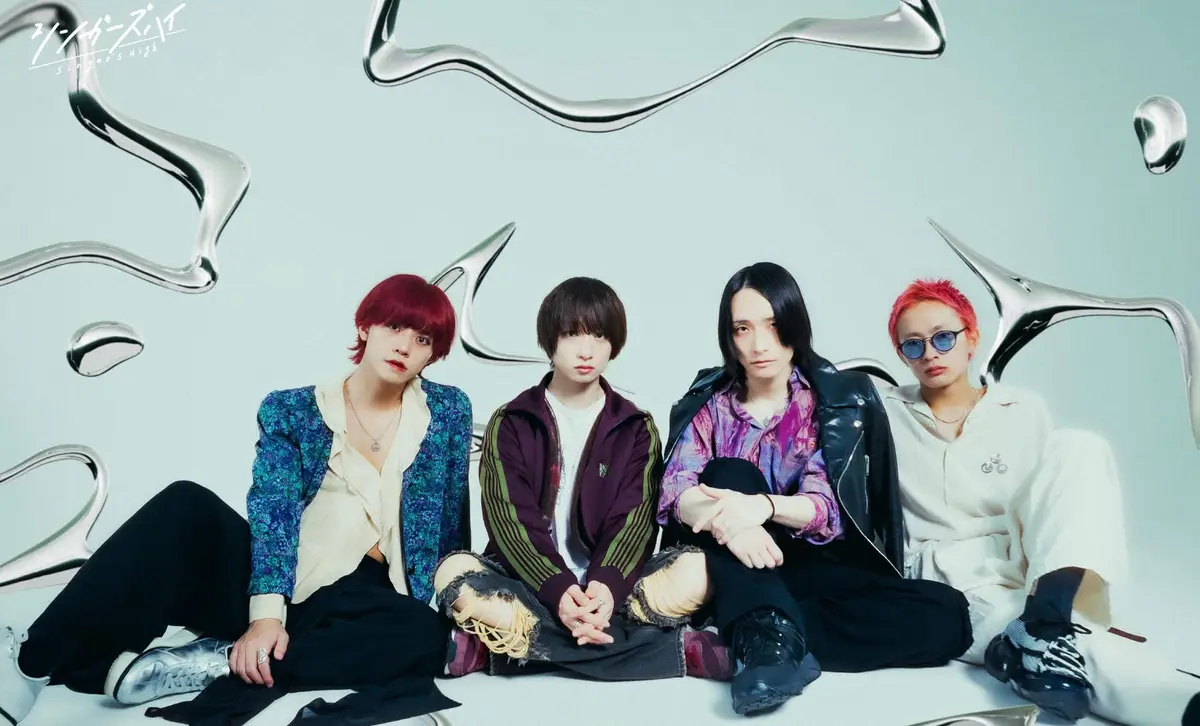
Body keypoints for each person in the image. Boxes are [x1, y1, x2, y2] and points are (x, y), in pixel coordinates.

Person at [0, 274, 473, 726]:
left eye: (423, 339)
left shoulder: (448, 411)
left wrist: (462, 595)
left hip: (372, 602)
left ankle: (215, 661)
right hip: (285, 579)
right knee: (185, 502)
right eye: (394, 327)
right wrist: (265, 617)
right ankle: (27, 663)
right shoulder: (292, 409)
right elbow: (274, 510)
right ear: (365, 326)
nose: (405, 346)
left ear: (432, 354)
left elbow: (453, 518)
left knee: (427, 636)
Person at [657, 262, 972, 716]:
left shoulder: (832, 400)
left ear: (794, 323)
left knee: (948, 616)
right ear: (729, 337)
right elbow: (677, 490)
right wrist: (733, 525)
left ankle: (754, 637)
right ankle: (767, 644)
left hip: (808, 563)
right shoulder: (712, 404)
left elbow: (825, 507)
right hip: (732, 562)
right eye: (743, 329)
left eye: (772, 325)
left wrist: (762, 508)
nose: (759, 344)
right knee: (729, 471)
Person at [881, 277, 1200, 726]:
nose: (930, 353)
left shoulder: (1021, 407)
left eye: (943, 337)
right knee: (1076, 648)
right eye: (913, 345)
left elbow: (1052, 498)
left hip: (1038, 567)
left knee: (1080, 445)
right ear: (902, 355)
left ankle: (1043, 620)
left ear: (971, 337)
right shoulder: (884, 414)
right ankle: (1182, 704)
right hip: (957, 579)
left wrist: (1047, 580)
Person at [432, 277, 726, 683]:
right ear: (550, 340)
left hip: (616, 589)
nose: (586, 350)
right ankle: (671, 651)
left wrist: (604, 589)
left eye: (599, 336)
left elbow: (634, 522)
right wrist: (558, 591)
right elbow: (511, 522)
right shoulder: (511, 421)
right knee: (452, 572)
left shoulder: (635, 427)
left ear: (613, 343)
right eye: (572, 334)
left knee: (701, 569)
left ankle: (502, 650)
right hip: (526, 582)